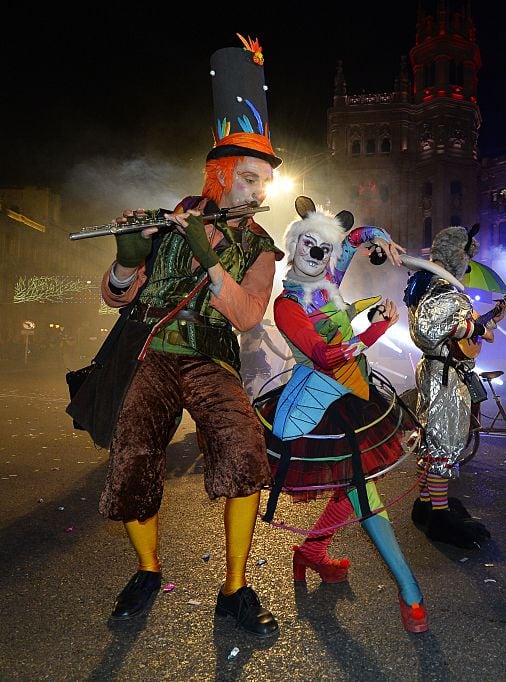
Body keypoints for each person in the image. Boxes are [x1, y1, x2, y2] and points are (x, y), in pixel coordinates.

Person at [93, 37, 282, 636]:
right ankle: (147, 570)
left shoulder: (259, 246)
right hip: (151, 351)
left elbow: (249, 316)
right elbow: (118, 295)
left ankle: (236, 587)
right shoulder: (169, 219)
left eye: (263, 182)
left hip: (210, 359)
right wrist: (127, 261)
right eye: (249, 179)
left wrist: (210, 259)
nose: (258, 192)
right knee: (133, 459)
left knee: (246, 450)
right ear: (222, 175)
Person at [254, 201, 428, 632]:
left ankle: (311, 553)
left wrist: (383, 240)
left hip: (360, 393)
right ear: (293, 250)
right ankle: (411, 593)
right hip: (322, 405)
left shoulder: (329, 277)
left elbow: (357, 236)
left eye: (324, 249)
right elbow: (325, 355)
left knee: (348, 482)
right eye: (308, 245)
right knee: (362, 494)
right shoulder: (288, 305)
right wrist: (376, 329)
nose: (317, 254)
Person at [404, 225, 504, 549]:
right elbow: (426, 329)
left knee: (433, 442)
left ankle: (427, 505)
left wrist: (477, 326)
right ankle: (440, 516)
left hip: (438, 370)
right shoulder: (444, 288)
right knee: (445, 443)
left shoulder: (424, 283)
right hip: (445, 375)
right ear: (459, 256)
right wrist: (472, 326)